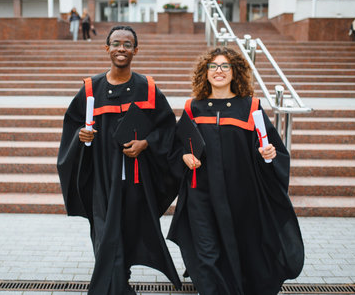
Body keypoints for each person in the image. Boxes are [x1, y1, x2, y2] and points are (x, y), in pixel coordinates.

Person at [167, 47, 305, 295]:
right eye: (213, 66)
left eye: (225, 66)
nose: (218, 71)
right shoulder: (193, 108)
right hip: (201, 194)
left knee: (241, 250)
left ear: (235, 72)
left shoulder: (250, 108)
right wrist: (184, 156)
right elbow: (176, 148)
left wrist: (267, 155)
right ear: (205, 72)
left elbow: (272, 148)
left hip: (241, 195)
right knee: (206, 253)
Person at [57, 25, 181, 295]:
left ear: (135, 50)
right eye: (116, 43)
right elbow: (73, 126)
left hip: (136, 178)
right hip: (101, 176)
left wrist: (145, 143)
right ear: (107, 48)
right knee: (106, 234)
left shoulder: (147, 88)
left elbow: (167, 127)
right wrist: (81, 135)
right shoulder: (91, 88)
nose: (121, 49)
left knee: (127, 230)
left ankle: (119, 282)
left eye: (127, 44)